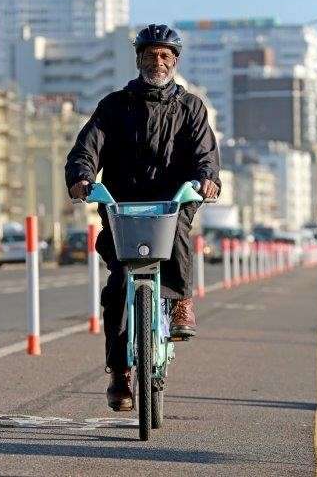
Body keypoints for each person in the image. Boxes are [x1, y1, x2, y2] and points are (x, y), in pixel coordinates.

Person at [65, 24, 221, 411]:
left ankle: (182, 300)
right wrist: (82, 177)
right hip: (123, 208)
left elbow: (205, 154)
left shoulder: (191, 107)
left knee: (181, 232)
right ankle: (120, 375)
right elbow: (88, 147)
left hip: (172, 202)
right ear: (138, 59)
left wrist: (207, 179)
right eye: (150, 54)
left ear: (175, 61)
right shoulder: (114, 106)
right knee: (118, 286)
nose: (158, 61)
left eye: (166, 55)